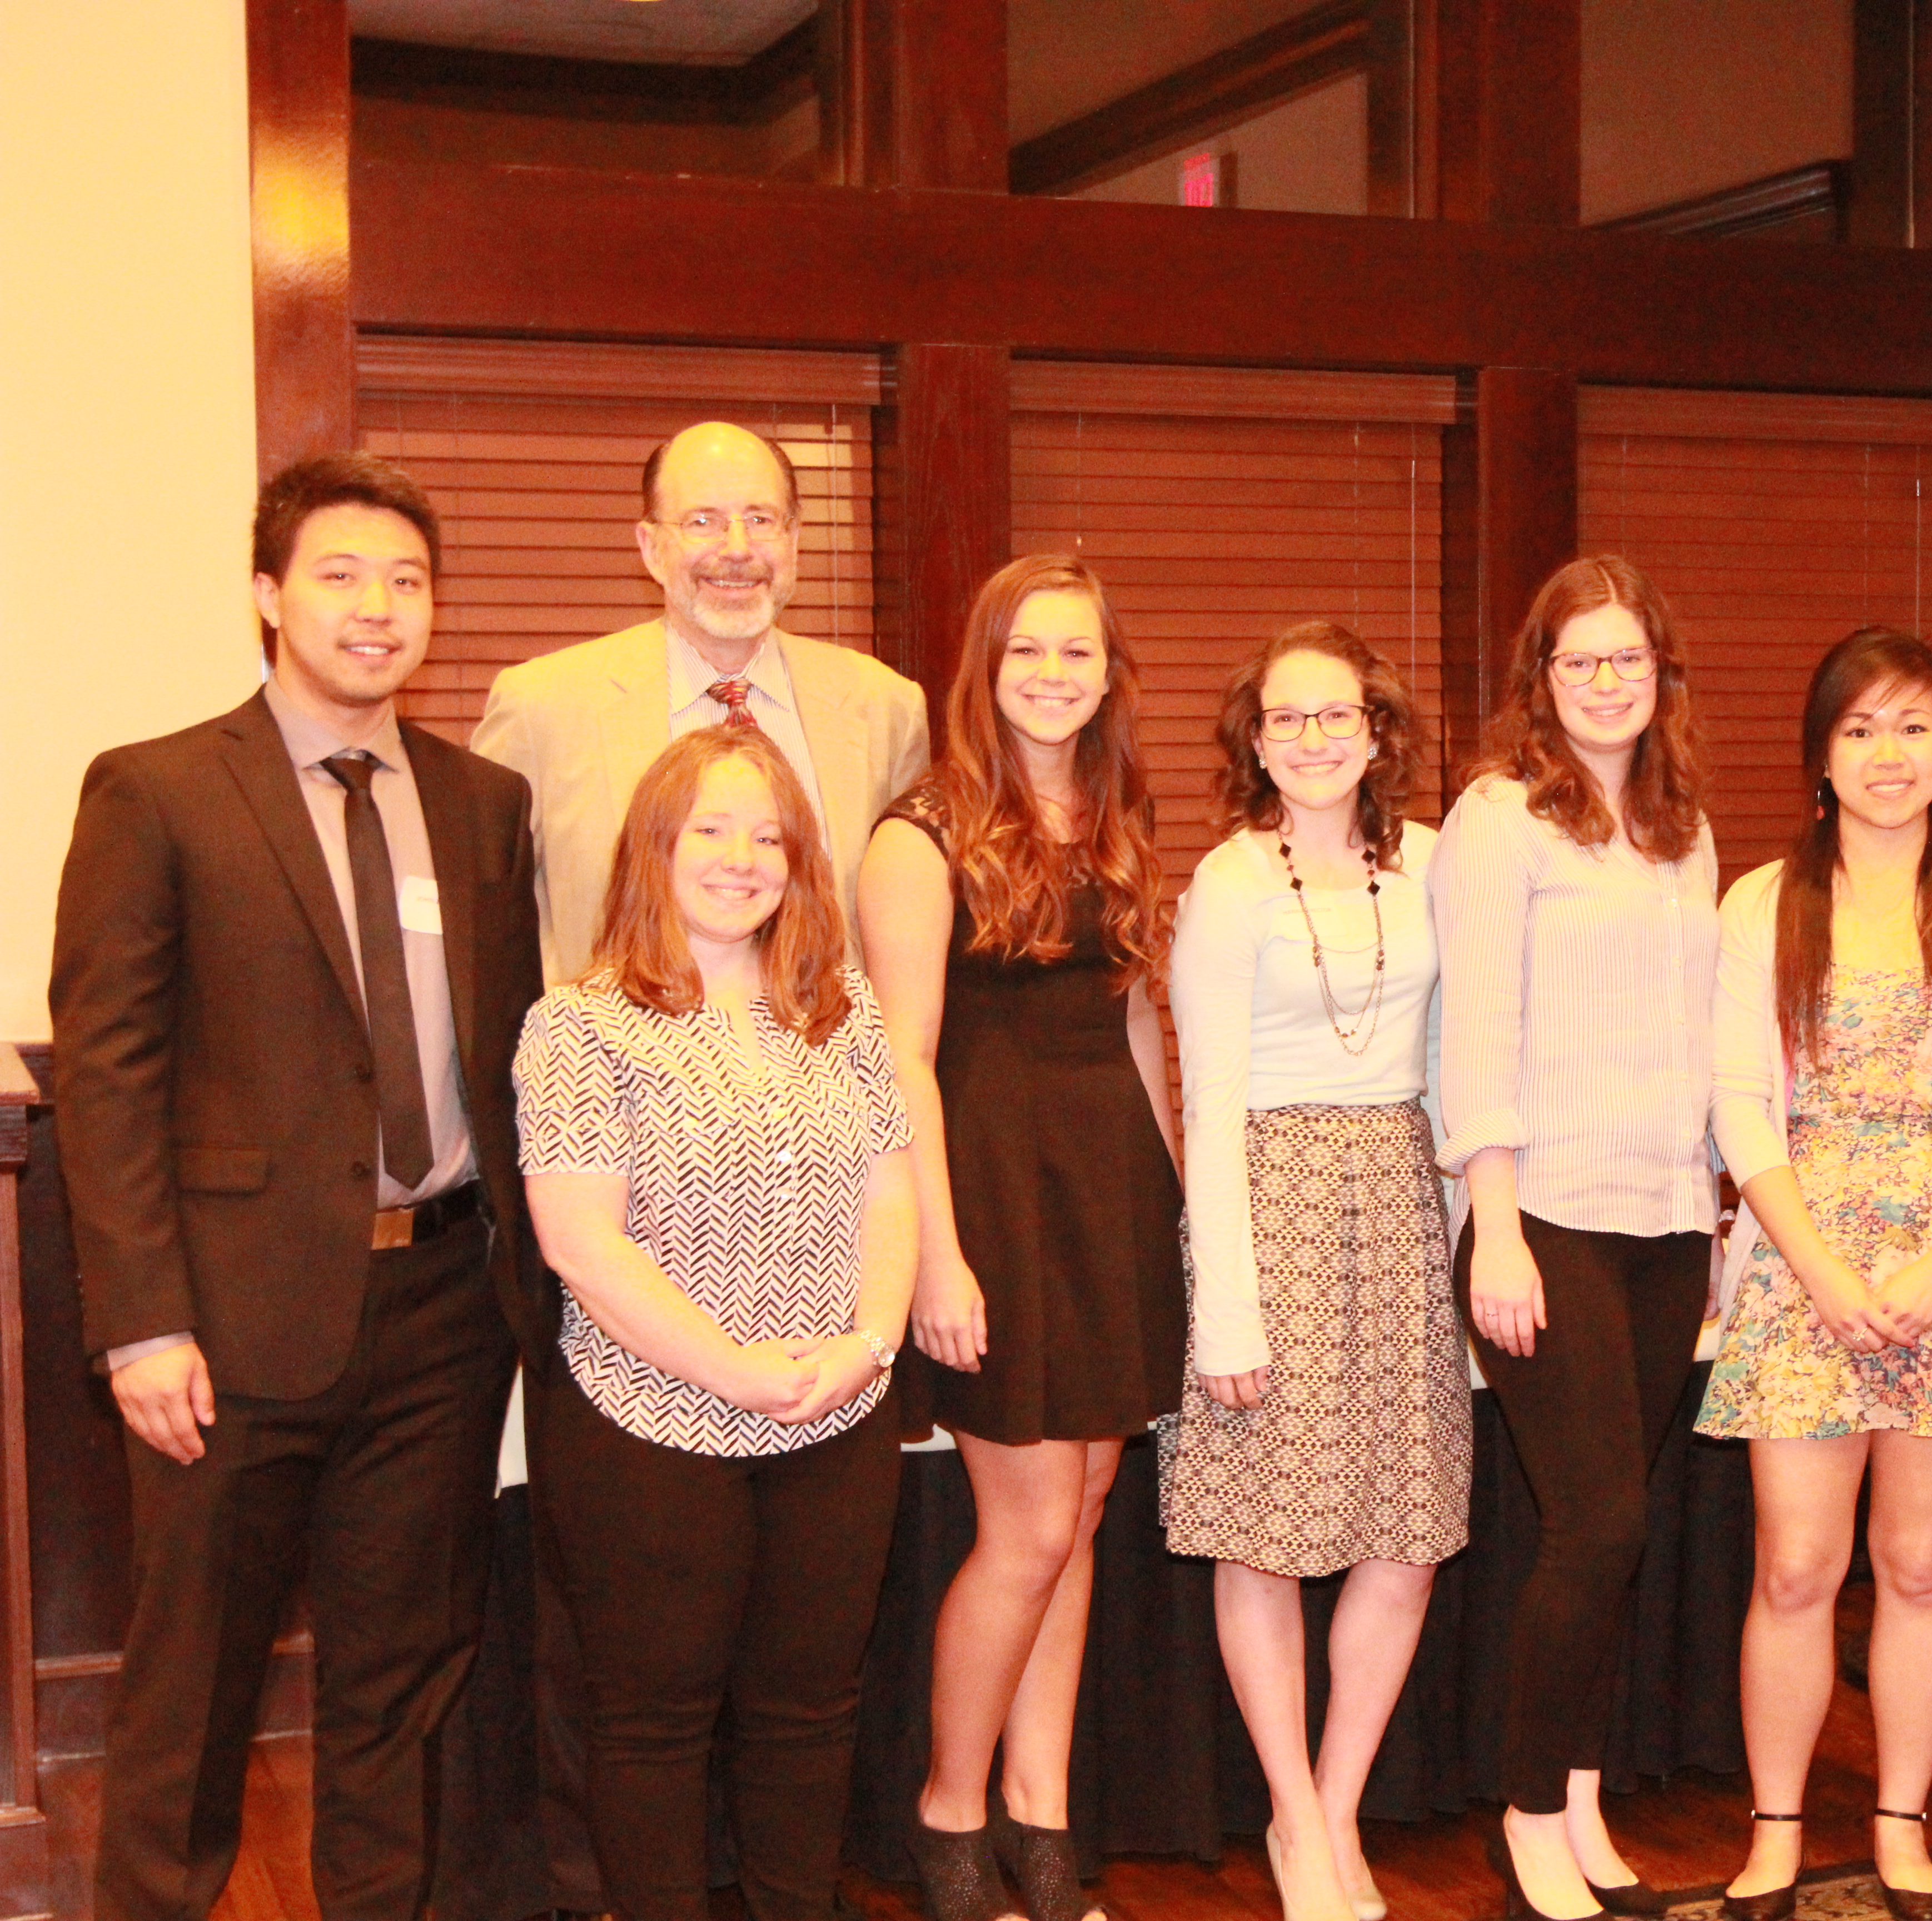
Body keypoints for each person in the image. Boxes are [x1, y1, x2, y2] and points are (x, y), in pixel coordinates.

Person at [52, 453, 543, 1921]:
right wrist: (141, 1323)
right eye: (340, 575)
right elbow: (108, 1073)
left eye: (406, 581)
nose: (377, 607)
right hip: (226, 1323)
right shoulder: (159, 790)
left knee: (402, 1685)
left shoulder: (483, 803)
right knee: (194, 1687)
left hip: (447, 1308)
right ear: (269, 595)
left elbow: (515, 1054)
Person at [514, 727, 918, 1921]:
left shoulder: (843, 1011)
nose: (742, 859)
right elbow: (581, 1244)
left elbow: (891, 1194)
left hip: (836, 1415)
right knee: (653, 1725)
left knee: (810, 1715)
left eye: (769, 838)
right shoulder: (580, 1024)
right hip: (648, 1427)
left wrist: (870, 1344)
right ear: (655, 846)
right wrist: (734, 1370)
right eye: (712, 830)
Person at [1699, 629, 1932, 1921]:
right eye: (1859, 729)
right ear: (1821, 754)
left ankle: (1903, 1823)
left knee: (1921, 1563)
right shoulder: (1761, 904)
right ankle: (1776, 1828)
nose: (1887, 753)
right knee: (1797, 1567)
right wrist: (1819, 1268)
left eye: (1911, 725)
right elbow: (1738, 1106)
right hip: (1799, 1266)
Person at [859, 554, 1183, 1921]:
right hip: (990, 1192)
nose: (1053, 674)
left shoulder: (1116, 814)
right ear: (983, 670)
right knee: (1031, 1522)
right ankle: (949, 1814)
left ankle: (1041, 1822)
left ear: (1109, 674)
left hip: (1108, 1190)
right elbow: (901, 1059)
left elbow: (1134, 1016)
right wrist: (934, 1252)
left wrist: (1174, 1203)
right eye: (1027, 651)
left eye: (1077, 652)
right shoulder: (921, 831)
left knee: (1085, 1508)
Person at [1158, 622, 1471, 1921]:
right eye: (1284, 718)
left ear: (1379, 729)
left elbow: (1455, 1064)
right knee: (1268, 1538)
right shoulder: (1231, 881)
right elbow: (1210, 1100)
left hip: (1401, 1202)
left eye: (1336, 713)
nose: (1312, 738)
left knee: (1406, 1536)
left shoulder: (1436, 864)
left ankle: (1339, 1809)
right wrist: (1225, 1307)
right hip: (1271, 1200)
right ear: (1253, 739)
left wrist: (1465, 1238)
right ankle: (1290, 1809)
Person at [1433, 554, 1718, 1921]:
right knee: (1596, 1523)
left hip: (1667, 1220)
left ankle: (1585, 1797)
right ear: (1538, 681)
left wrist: (1715, 1211)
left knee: (1620, 1528)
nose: (1607, 681)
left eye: (1628, 657)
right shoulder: (1500, 818)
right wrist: (1491, 1228)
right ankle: (1528, 1809)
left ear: (1662, 672)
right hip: (1541, 1216)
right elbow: (1475, 1030)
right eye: (1579, 659)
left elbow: (1695, 1035)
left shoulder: (1681, 827)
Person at [475, 419, 929, 983]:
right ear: (651, 548)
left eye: (760, 520)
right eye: (702, 522)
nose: (736, 549)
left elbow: (910, 935)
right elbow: (485, 931)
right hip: (614, 1040)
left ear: (794, 539)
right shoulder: (541, 707)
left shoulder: (886, 709)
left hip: (827, 1038)